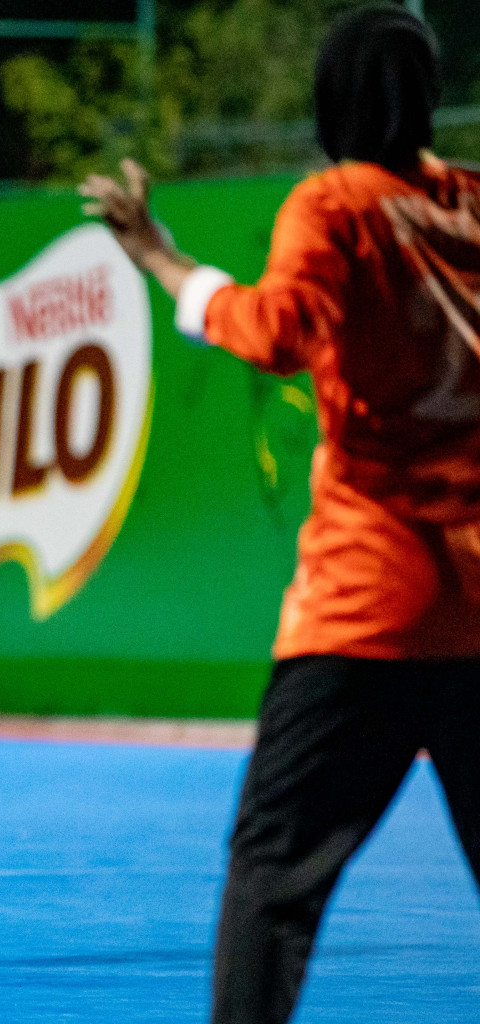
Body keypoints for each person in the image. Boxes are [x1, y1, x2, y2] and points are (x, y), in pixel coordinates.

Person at [80, 5, 480, 1022]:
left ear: (329, 99)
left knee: (273, 874)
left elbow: (274, 329)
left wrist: (164, 262)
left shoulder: (337, 202)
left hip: (368, 606)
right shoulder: (475, 205)